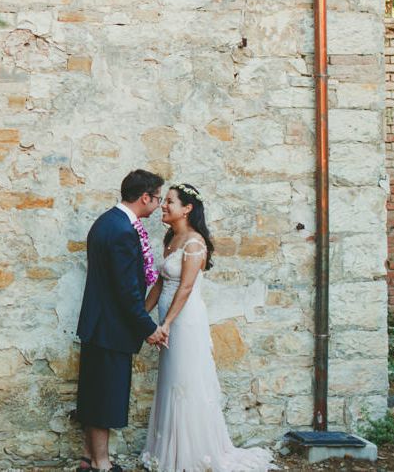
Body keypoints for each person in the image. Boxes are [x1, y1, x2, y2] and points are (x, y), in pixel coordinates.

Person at [141, 184, 274, 472]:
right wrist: (140, 316)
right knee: (170, 382)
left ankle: (193, 453)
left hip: (184, 321)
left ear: (187, 208)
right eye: (163, 202)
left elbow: (186, 287)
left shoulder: (194, 243)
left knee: (185, 382)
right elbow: (161, 283)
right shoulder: (172, 239)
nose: (163, 206)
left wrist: (165, 324)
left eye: (170, 202)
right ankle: (170, 451)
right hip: (168, 319)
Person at [76, 169, 168, 472]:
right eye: (156, 199)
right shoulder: (122, 232)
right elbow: (127, 292)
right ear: (144, 197)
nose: (158, 206)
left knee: (94, 394)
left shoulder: (107, 221)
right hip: (110, 328)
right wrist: (149, 328)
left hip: (98, 324)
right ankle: (103, 464)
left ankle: (89, 458)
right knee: (105, 399)